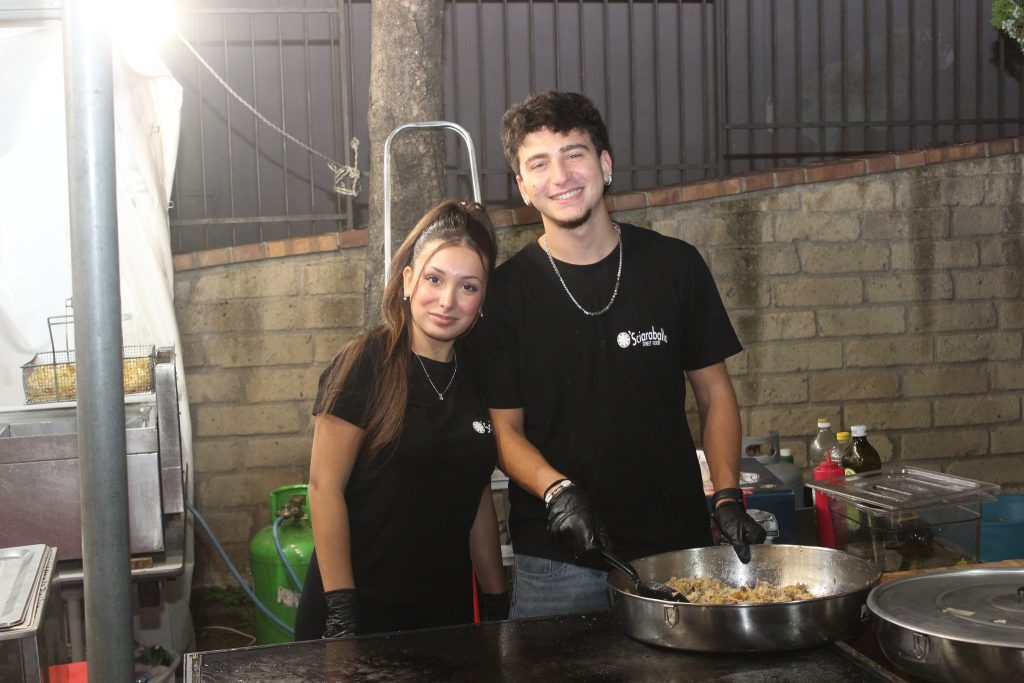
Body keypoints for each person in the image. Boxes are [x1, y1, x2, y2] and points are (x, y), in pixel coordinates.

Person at [470, 91, 765, 619]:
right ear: (523, 187)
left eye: (574, 154)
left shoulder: (675, 267)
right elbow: (504, 432)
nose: (561, 175)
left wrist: (725, 496)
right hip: (557, 556)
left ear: (605, 165)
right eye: (539, 163)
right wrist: (557, 491)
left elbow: (715, 395)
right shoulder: (504, 295)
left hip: (675, 548)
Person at [294, 200, 509, 639]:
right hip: (360, 610)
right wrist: (341, 611)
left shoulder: (478, 376)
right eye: (434, 279)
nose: (448, 301)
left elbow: (476, 496)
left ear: (483, 299)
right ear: (408, 280)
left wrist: (497, 599)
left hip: (443, 613)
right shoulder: (366, 362)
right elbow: (323, 488)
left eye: (468, 287)